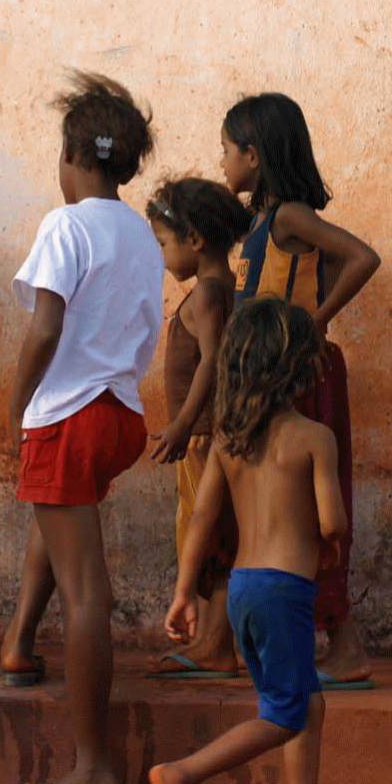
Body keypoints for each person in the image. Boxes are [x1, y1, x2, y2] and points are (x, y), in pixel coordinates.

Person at [2, 72, 164, 784]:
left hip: (67, 414)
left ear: (72, 155)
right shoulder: (140, 232)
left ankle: (91, 765)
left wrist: (16, 408)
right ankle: (17, 642)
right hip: (119, 413)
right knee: (61, 528)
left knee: (87, 590)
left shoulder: (64, 225)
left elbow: (44, 326)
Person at [149, 299, 347, 784]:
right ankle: (183, 774)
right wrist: (329, 543)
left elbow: (203, 522)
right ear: (301, 368)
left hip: (242, 589)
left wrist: (184, 592)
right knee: (284, 714)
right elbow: (332, 520)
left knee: (305, 699)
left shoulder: (228, 443)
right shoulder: (314, 437)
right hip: (285, 591)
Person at [220, 93, 380, 685]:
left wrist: (313, 322)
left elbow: (363, 258)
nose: (223, 163)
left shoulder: (289, 215)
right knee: (279, 510)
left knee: (311, 509)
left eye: (228, 151)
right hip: (271, 377)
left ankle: (343, 642)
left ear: (254, 156)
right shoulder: (262, 222)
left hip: (299, 376)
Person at [143, 177, 250, 680]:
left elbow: (212, 362)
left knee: (203, 537)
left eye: (164, 242)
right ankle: (212, 642)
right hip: (211, 434)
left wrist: (182, 423)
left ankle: (213, 645)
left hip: (204, 436)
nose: (162, 255)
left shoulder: (208, 293)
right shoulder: (229, 288)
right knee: (212, 537)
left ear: (195, 240)